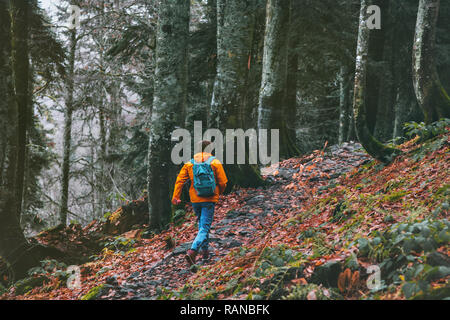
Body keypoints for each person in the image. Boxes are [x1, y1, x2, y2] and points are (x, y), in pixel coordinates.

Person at [171, 140, 228, 266]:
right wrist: (219, 192)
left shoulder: (189, 164)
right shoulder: (215, 162)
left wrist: (176, 196)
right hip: (209, 199)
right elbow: (223, 182)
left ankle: (205, 252)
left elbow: (179, 181)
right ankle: (193, 250)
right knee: (205, 226)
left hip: (195, 199)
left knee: (202, 225)